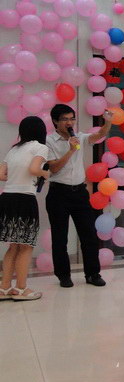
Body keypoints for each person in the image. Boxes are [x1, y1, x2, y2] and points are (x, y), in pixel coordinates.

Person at [46, 104, 113, 288]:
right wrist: (71, 150)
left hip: (79, 193)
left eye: (72, 119)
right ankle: (64, 276)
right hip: (58, 193)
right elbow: (54, 168)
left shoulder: (80, 137)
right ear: (55, 121)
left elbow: (99, 135)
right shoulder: (49, 141)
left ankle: (92, 274)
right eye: (65, 119)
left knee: (89, 235)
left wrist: (107, 122)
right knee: (60, 238)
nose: (70, 123)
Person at [0, 116, 50, 301]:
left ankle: (4, 288)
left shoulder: (14, 149)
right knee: (26, 246)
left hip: (7, 198)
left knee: (13, 246)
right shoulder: (40, 147)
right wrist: (45, 173)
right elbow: (34, 169)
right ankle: (21, 289)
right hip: (24, 199)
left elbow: (1, 175)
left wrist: (16, 177)